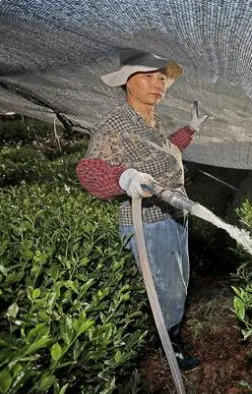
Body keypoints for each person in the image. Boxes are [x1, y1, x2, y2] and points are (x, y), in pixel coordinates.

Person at [76, 49, 208, 371]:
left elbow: (166, 150)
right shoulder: (116, 124)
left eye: (161, 78)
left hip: (174, 217)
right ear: (126, 82)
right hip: (149, 223)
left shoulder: (149, 119)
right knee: (167, 290)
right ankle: (170, 348)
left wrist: (190, 129)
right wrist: (122, 177)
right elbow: (89, 170)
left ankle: (170, 334)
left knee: (178, 282)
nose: (157, 84)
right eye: (147, 76)